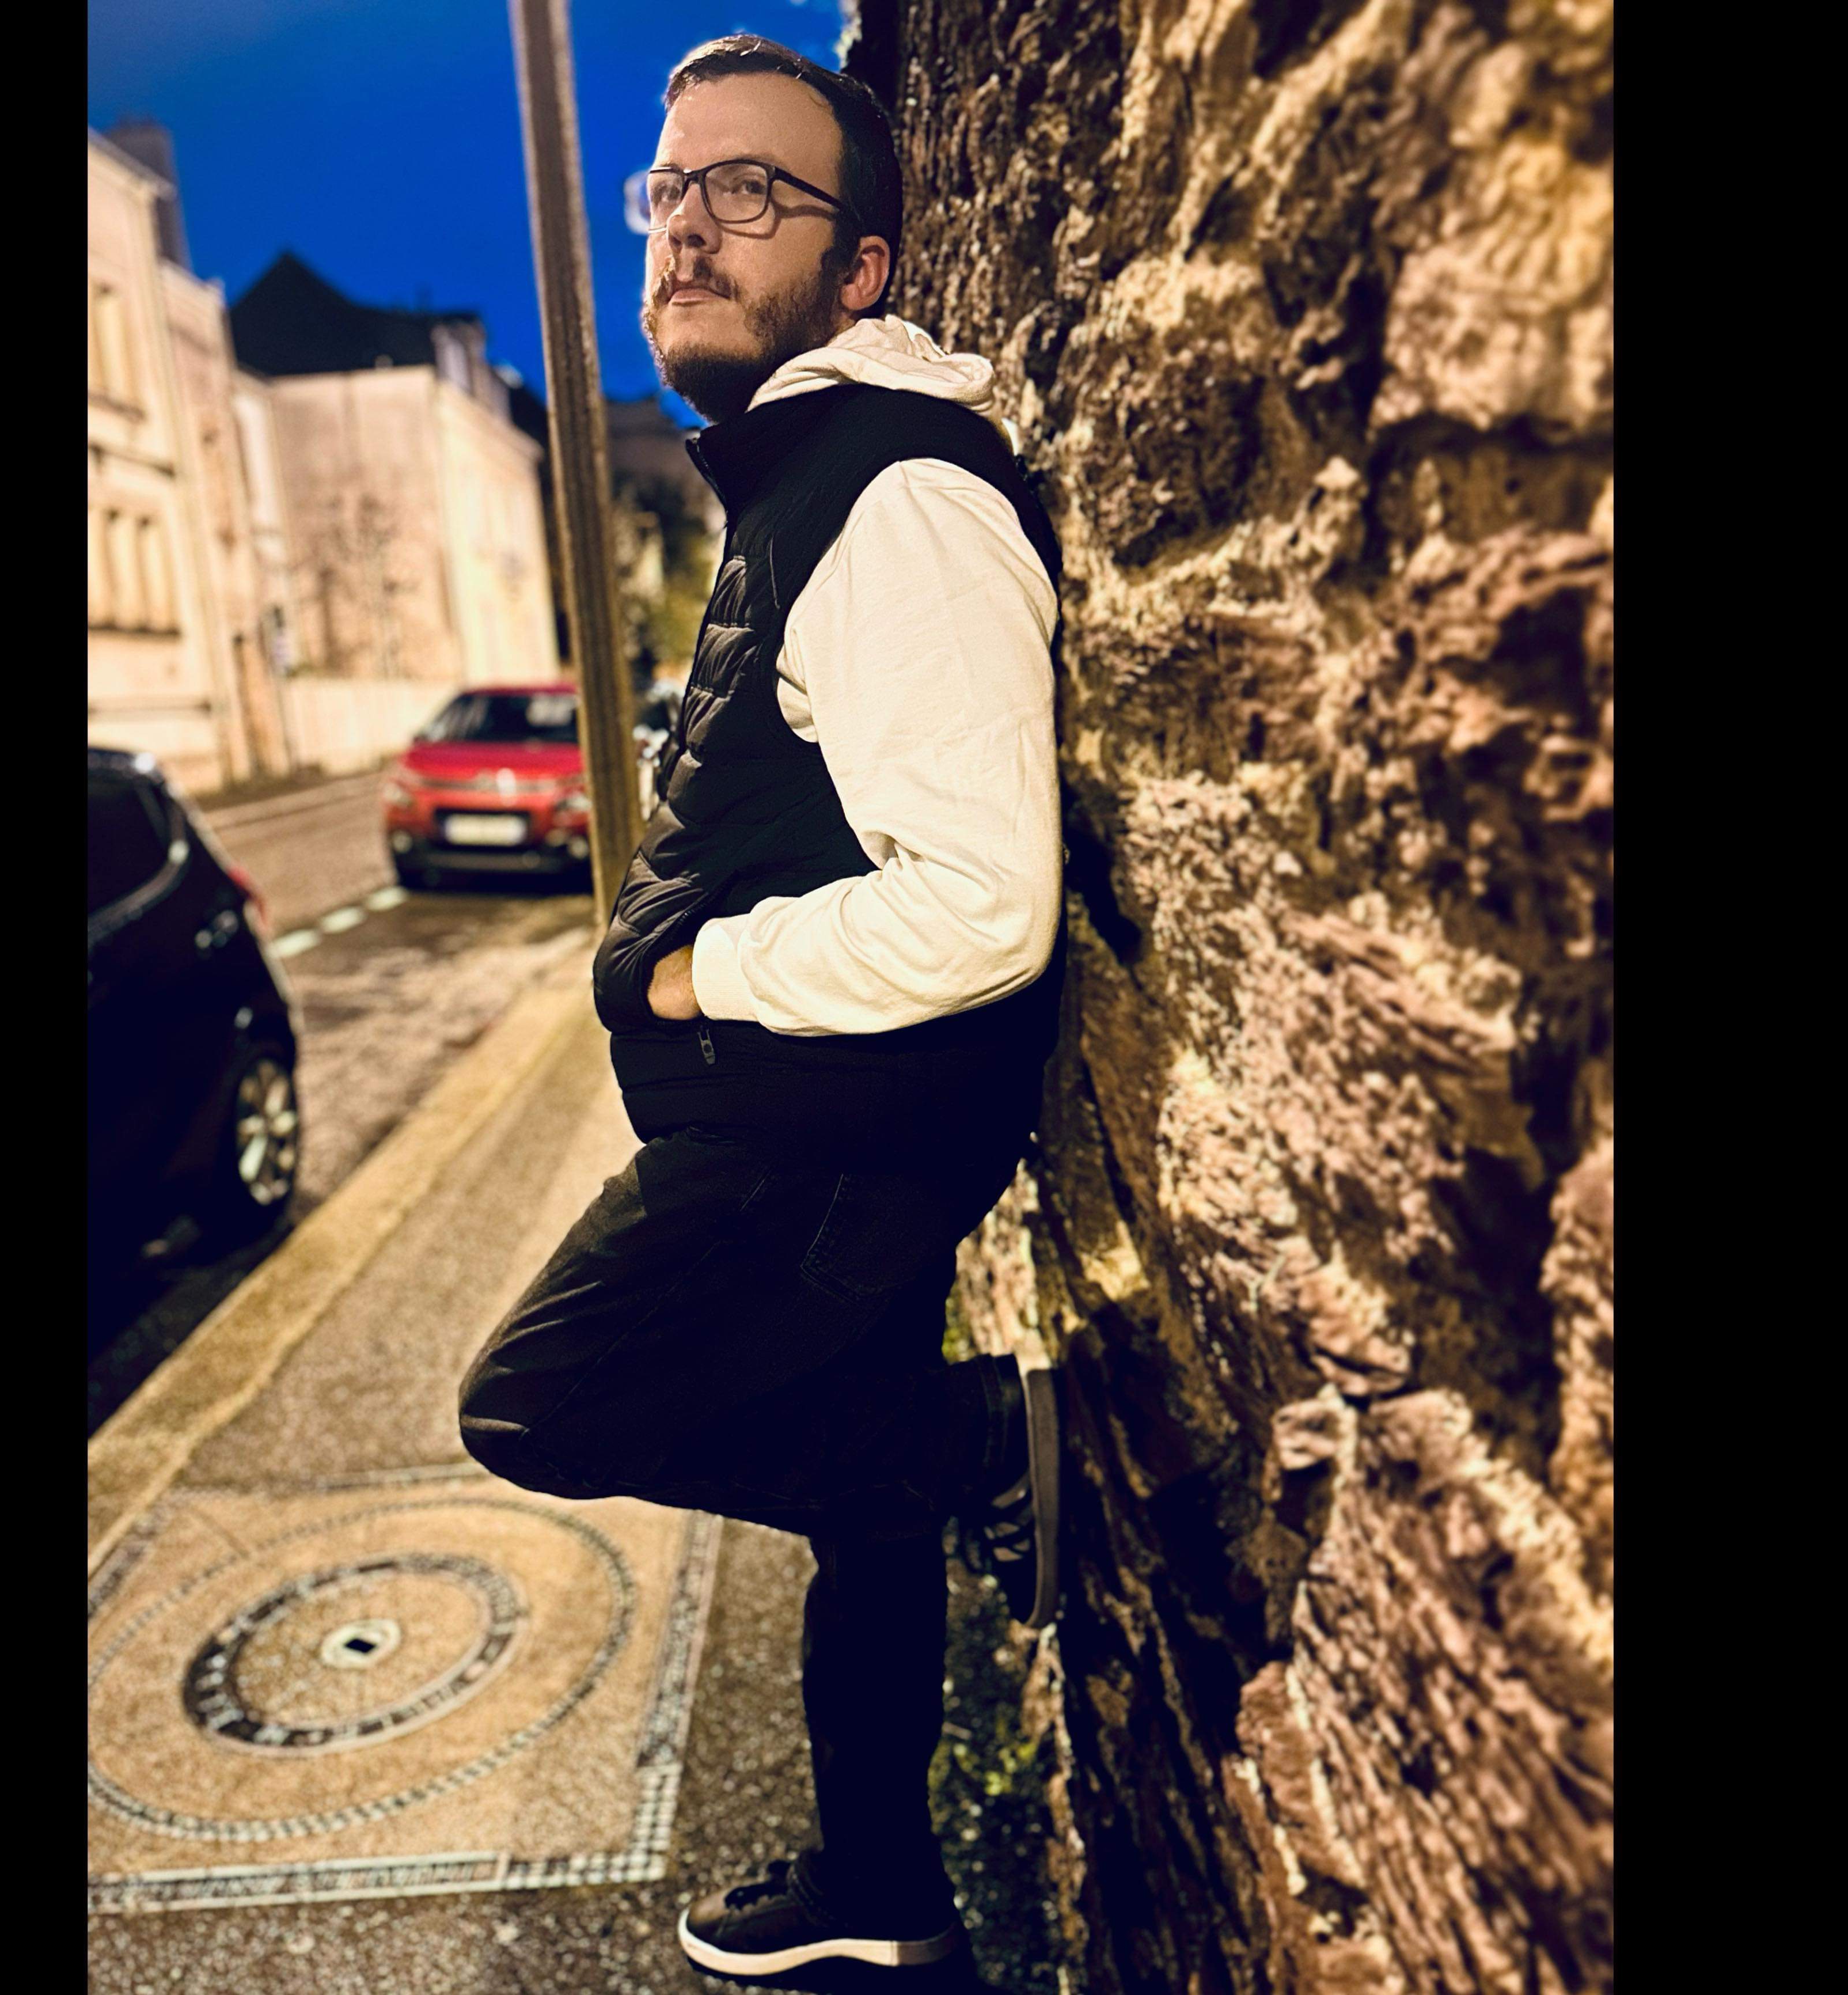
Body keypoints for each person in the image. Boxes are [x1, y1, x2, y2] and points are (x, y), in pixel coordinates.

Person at [460, 33, 1064, 1981]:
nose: (688, 230)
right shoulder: (812, 474)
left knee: (538, 1405)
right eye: (672, 190)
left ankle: (976, 1441)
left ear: (860, 267)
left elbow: (982, 907)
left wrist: (695, 970)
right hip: (827, 1126)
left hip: (819, 1144)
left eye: (754, 192)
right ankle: (884, 1895)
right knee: (855, 1530)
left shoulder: (895, 501)